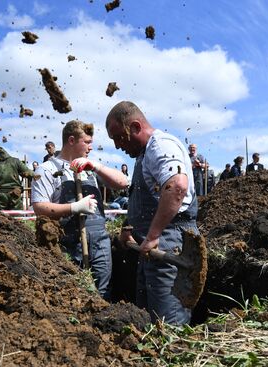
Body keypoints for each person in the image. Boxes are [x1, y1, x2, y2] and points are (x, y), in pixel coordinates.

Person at [105, 101, 199, 325]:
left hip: (169, 244)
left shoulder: (161, 146)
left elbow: (176, 186)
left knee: (168, 322)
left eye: (119, 137)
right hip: (151, 245)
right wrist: (128, 228)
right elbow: (142, 201)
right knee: (149, 318)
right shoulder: (143, 155)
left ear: (136, 127)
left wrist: (154, 235)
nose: (118, 146)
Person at [31, 120, 128, 299]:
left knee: (103, 292)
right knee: (74, 294)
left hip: (100, 242)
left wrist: (96, 166)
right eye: (87, 142)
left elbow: (123, 183)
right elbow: (39, 207)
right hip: (68, 244)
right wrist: (74, 207)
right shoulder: (47, 170)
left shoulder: (90, 169)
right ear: (71, 141)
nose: (91, 147)